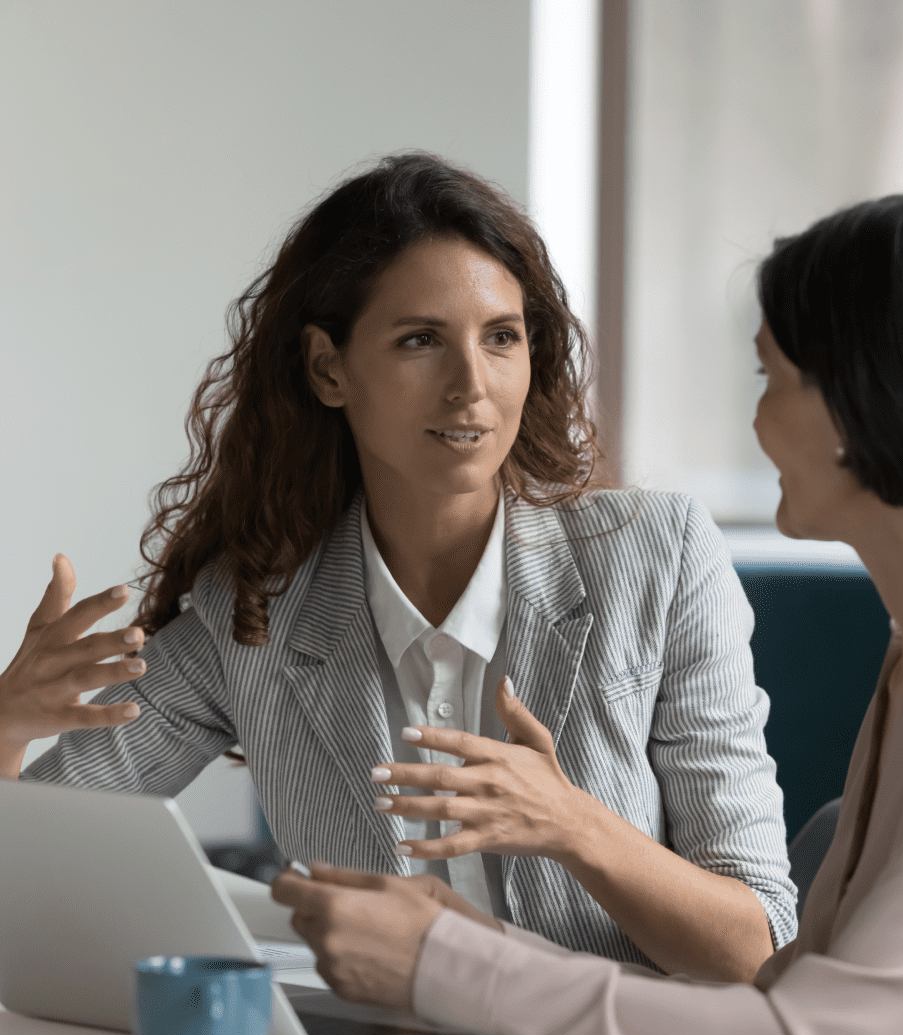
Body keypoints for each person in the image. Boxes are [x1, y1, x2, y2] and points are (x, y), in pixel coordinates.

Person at [271, 191, 903, 1035]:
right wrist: (477, 946)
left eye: (771, 379)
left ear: (865, 406)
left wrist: (445, 965)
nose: (757, 421)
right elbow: (790, 992)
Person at [0, 152, 796, 981]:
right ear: (328, 369)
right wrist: (5, 727)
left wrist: (572, 824)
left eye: (501, 339)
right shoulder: (253, 616)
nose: (471, 388)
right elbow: (28, 884)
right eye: (421, 340)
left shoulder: (656, 558)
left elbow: (757, 951)